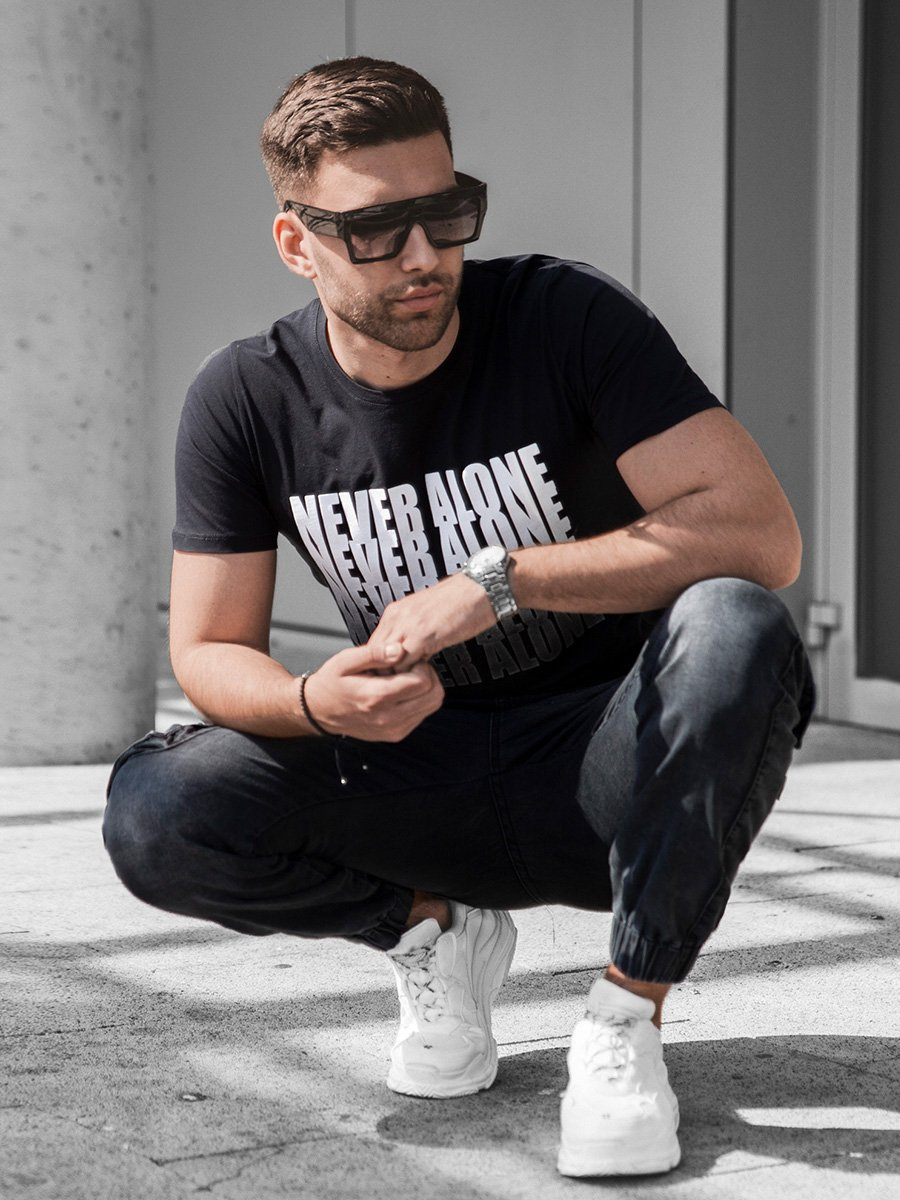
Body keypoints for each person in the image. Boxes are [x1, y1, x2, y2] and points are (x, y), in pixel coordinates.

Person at [103, 56, 814, 1177]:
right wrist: (312, 702)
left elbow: (762, 536)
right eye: (374, 230)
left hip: (609, 771)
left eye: (446, 213)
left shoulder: (561, 318)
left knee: (735, 622)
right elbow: (208, 649)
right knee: (158, 809)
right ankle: (432, 932)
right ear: (296, 242)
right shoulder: (246, 398)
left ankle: (624, 1018)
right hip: (409, 772)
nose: (425, 255)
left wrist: (503, 579)